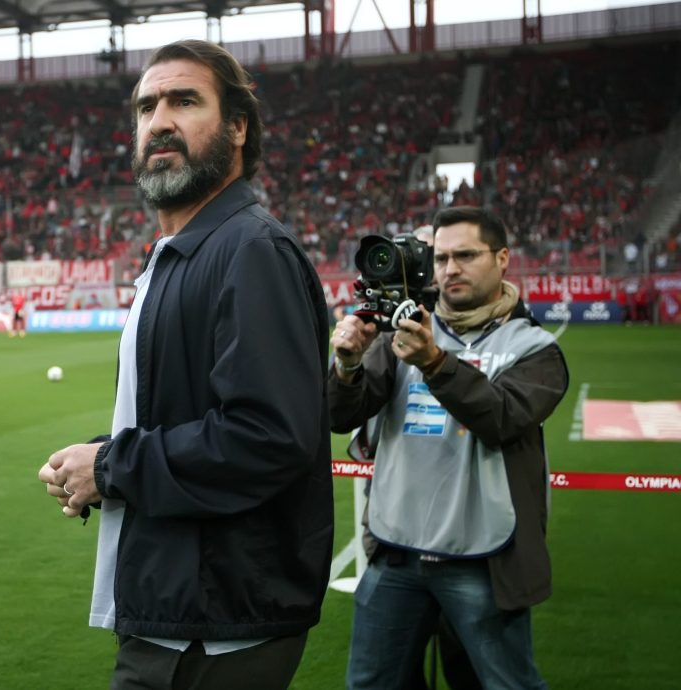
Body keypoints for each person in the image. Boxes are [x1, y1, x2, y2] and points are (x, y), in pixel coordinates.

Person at [37, 40, 333, 690]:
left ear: (238, 127)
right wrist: (102, 458)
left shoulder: (251, 251)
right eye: (147, 107)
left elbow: (268, 436)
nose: (160, 120)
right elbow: (189, 415)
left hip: (215, 624)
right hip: (182, 607)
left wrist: (112, 467)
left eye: (185, 101)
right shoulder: (182, 253)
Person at [330, 206, 569, 689]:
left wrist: (436, 363)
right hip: (396, 552)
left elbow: (501, 418)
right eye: (440, 258)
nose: (450, 269)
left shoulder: (534, 348)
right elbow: (339, 417)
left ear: (502, 259)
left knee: (506, 684)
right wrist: (348, 365)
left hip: (483, 559)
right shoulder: (401, 336)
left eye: (466, 255)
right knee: (372, 684)